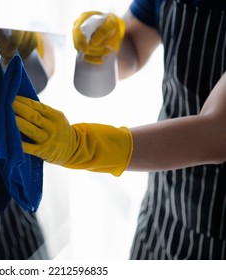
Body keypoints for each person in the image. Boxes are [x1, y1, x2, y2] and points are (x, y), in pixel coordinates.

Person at [12, 0, 226, 259]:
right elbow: (134, 48)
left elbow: (216, 133)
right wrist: (107, 43)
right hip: (161, 209)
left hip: (217, 233)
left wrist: (81, 147)